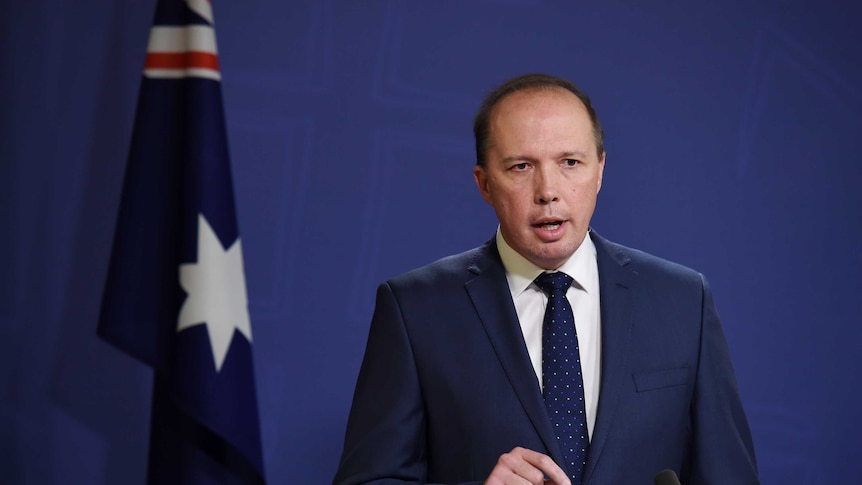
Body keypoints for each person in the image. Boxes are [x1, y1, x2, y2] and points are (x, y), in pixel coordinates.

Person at [333, 73, 758, 485]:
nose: (548, 190)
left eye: (570, 162)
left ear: (600, 170)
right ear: (484, 183)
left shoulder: (683, 301)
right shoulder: (414, 309)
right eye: (520, 167)